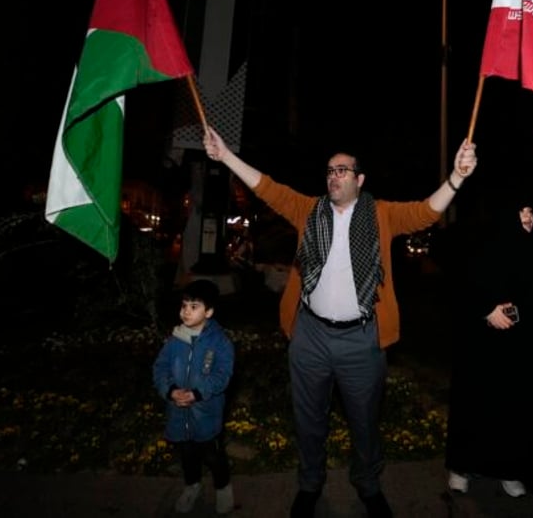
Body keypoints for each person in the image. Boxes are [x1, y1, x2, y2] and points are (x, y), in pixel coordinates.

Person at [202, 125, 478, 518]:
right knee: (309, 420)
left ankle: (368, 485)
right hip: (310, 335)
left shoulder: (381, 214)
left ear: (359, 180)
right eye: (330, 171)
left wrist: (457, 177)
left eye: (342, 170)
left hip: (361, 340)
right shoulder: (309, 210)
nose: (333, 176)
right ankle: (309, 485)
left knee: (364, 422)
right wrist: (226, 156)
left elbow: (425, 212)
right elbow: (268, 188)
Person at [444, 202, 533, 504]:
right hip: (480, 345)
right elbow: (461, 283)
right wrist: (486, 309)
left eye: (531, 212)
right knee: (474, 405)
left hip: (519, 346)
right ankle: (463, 468)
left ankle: (508, 470)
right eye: (520, 211)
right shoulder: (482, 244)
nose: (527, 217)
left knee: (510, 410)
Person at [153, 279, 236, 515]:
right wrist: (170, 391)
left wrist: (197, 393)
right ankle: (192, 486)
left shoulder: (220, 343)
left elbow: (223, 375)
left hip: (206, 414)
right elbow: (160, 368)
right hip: (179, 413)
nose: (186, 312)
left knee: (212, 455)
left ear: (208, 312)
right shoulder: (175, 340)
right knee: (187, 455)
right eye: (184, 305)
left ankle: (223, 488)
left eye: (194, 306)